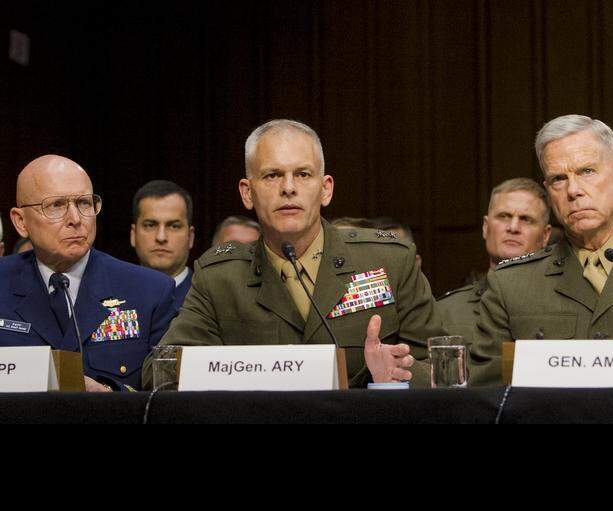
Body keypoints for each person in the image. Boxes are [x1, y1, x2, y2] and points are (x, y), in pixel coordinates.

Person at [142, 119, 445, 389]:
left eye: (302, 174)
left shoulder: (389, 261)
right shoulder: (219, 278)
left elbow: (445, 371)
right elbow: (159, 373)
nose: (288, 188)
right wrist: (236, 373)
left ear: (326, 189)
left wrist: (397, 375)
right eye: (272, 175)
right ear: (247, 192)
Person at [469, 115, 613, 385]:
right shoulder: (511, 285)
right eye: (559, 179)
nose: (573, 190)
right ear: (549, 191)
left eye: (587, 171)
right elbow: (489, 398)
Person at [1, 155, 177, 391]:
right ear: (20, 221)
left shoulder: (150, 291)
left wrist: (109, 396)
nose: (75, 219)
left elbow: (165, 399)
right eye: (56, 205)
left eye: (84, 203)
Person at [435, 178, 552, 346]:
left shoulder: (567, 308)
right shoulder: (447, 312)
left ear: (545, 235)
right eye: (504, 216)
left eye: (526, 219)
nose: (513, 227)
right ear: (485, 227)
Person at [131, 180, 196, 308]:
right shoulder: (112, 294)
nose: (161, 237)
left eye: (174, 226)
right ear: (133, 235)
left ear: (190, 237)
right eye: (150, 225)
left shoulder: (210, 301)